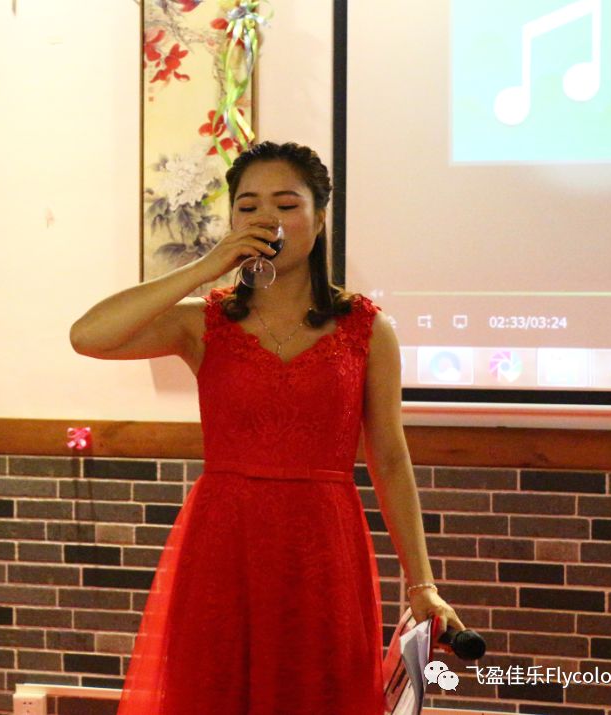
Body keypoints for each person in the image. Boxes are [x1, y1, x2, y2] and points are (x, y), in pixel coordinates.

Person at [70, 140, 466, 714]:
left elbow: (389, 457)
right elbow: (88, 336)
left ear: (320, 217)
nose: (266, 219)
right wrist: (207, 266)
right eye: (248, 206)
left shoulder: (366, 328)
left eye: (286, 204)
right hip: (223, 542)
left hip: (323, 546)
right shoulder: (204, 323)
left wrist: (422, 584)